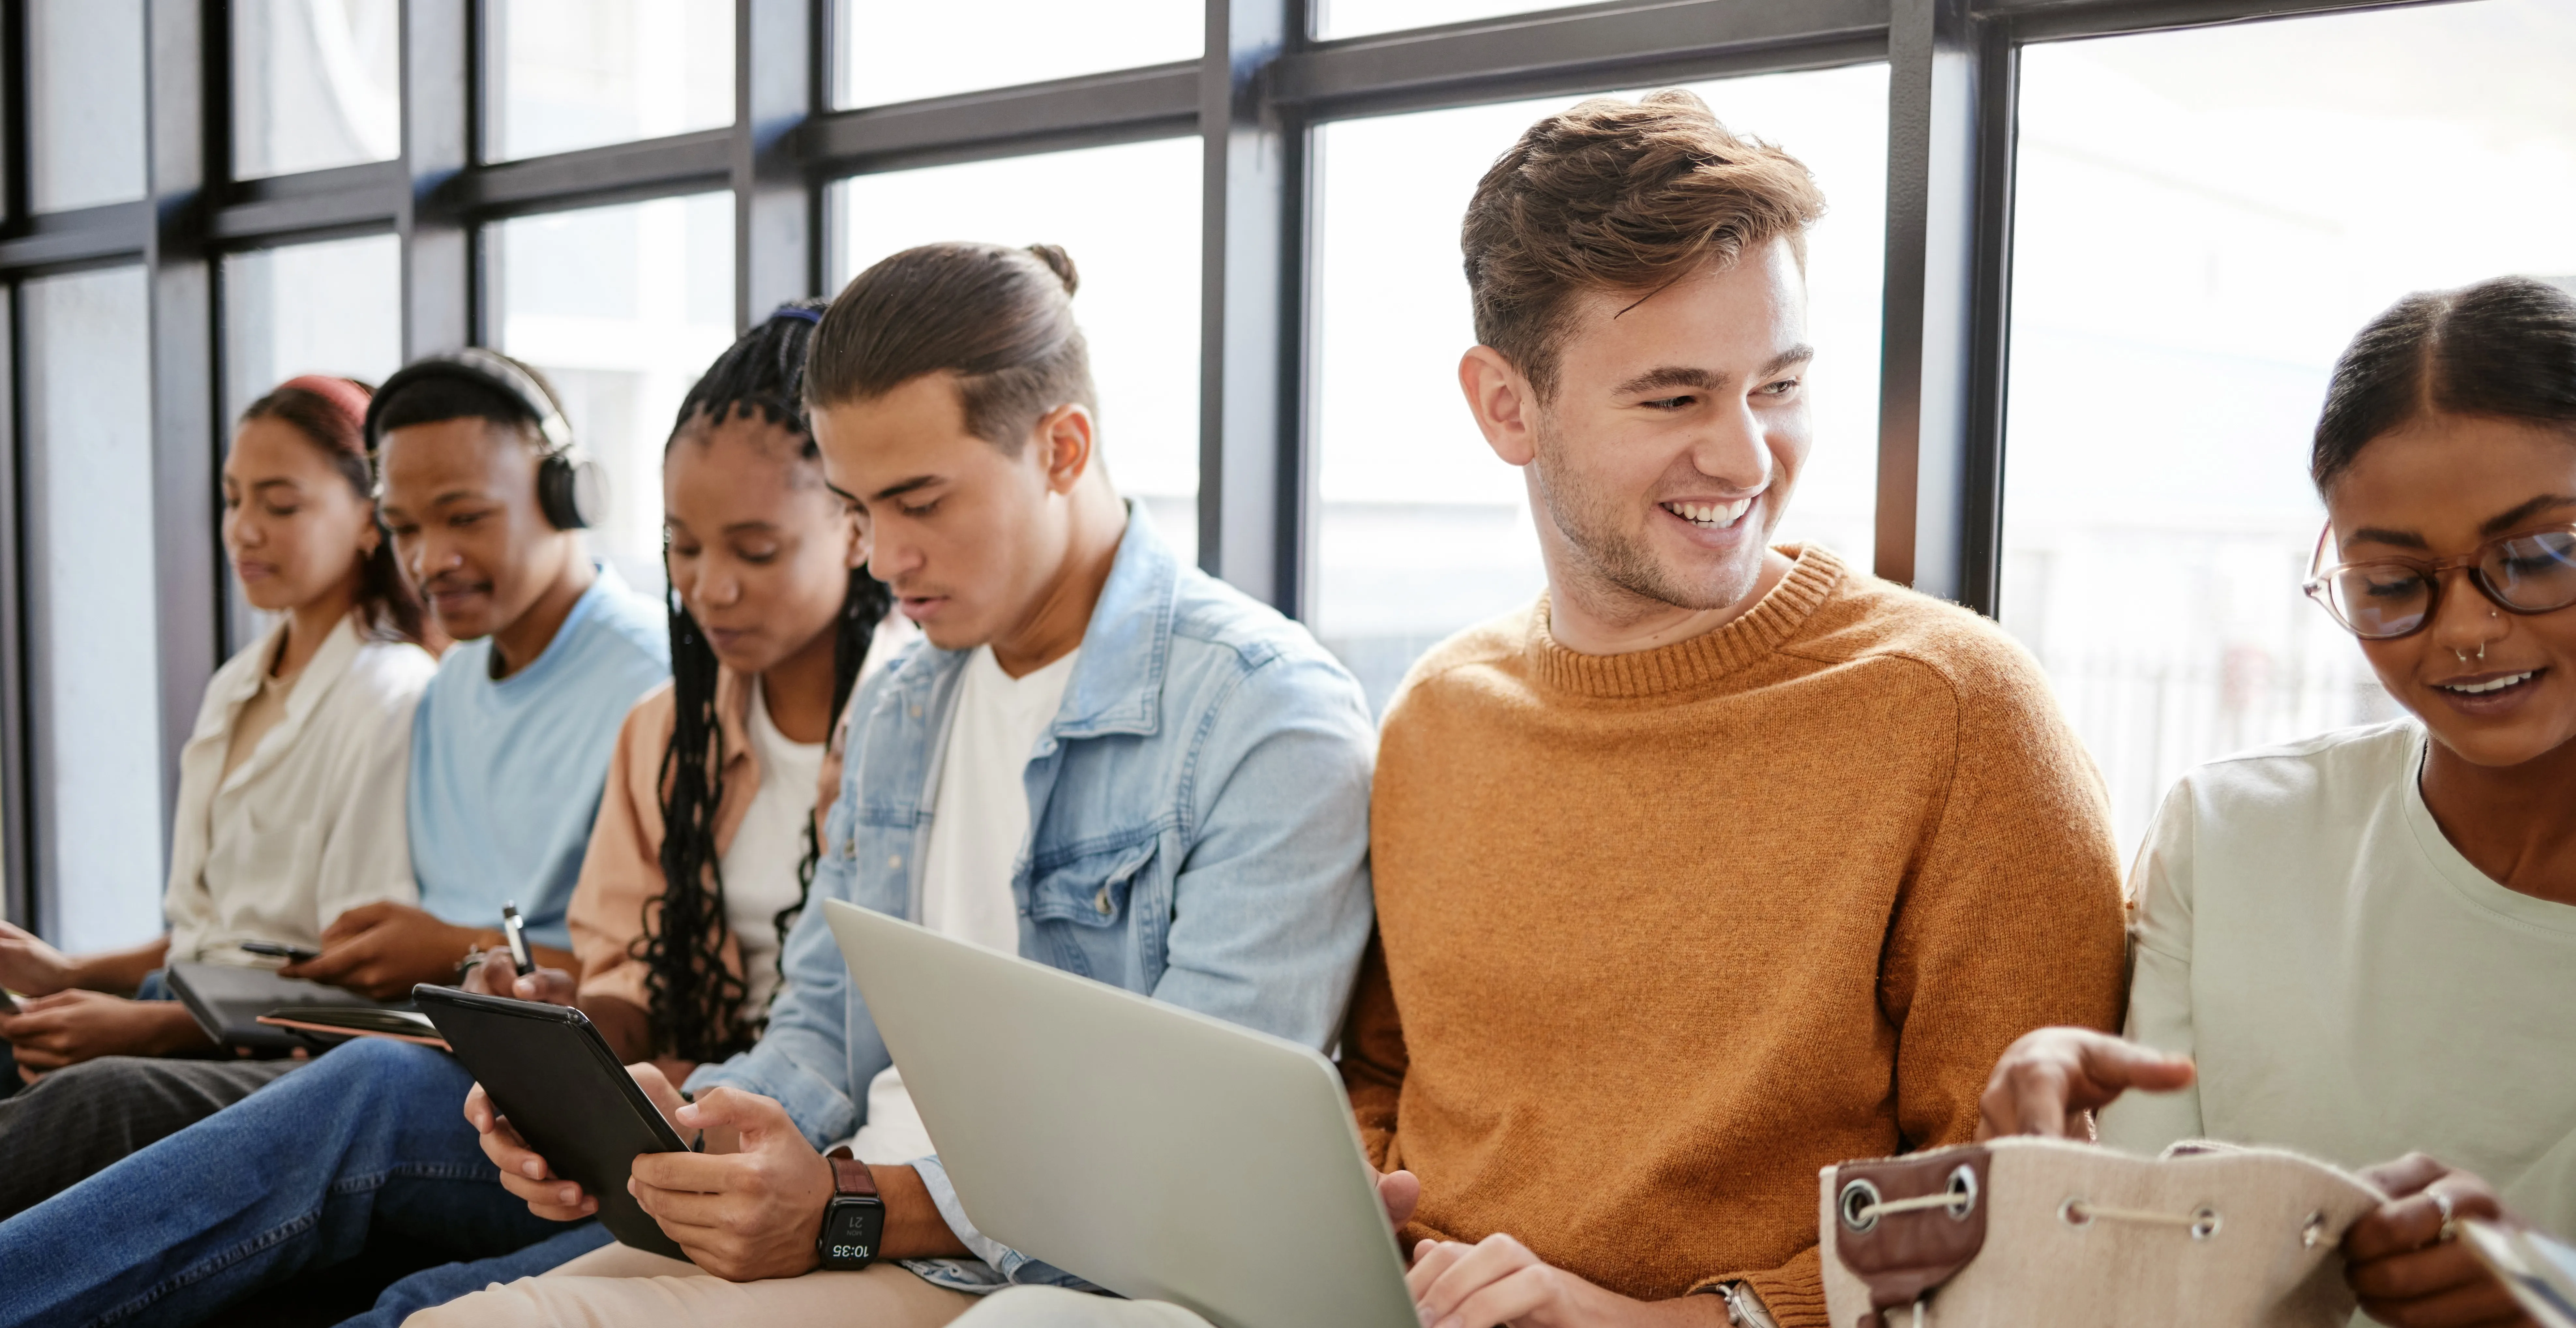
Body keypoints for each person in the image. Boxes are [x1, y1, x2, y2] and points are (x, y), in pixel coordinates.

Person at [956, 90, 2129, 1328]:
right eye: (1672, 400)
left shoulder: (1955, 713)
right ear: (1505, 405)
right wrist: (1353, 1229)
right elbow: (1379, 1071)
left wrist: (1641, 1321)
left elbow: (2020, 1220)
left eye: (1776, 385)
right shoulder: (1437, 715)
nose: (1744, 458)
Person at [409, 241, 1378, 1328]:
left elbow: (1191, 1141)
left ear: (1061, 448)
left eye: (919, 502)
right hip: (872, 1222)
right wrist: (675, 1132)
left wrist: (850, 1206)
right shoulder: (905, 702)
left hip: (1064, 1275)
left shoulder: (1262, 714)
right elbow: (822, 1024)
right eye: (862, 508)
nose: (881, 559)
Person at [0, 350, 672, 1325]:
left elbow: (642, 985)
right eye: (406, 527)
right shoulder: (449, 692)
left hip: (522, 1080)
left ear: (564, 495)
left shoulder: (650, 685)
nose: (430, 557)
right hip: (433, 1047)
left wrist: (445, 953)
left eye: (467, 518)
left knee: (110, 1099)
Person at [1976, 275, 2576, 1328]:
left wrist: (2547, 1292)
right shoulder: (2230, 838)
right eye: (2391, 583)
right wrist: (2054, 1181)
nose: (2465, 629)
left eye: (2533, 558)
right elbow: (2136, 1286)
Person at [0, 376, 436, 1215]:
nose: (243, 529)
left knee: (90, 1099)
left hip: (273, 1049)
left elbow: (353, 982)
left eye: (280, 504)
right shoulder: (242, 680)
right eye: (235, 499)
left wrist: (148, 1026)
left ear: (368, 516)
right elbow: (216, 929)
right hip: (183, 1006)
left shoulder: (391, 697)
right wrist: (68, 971)